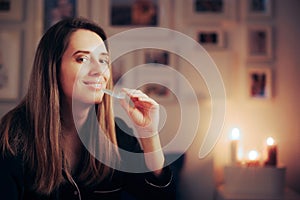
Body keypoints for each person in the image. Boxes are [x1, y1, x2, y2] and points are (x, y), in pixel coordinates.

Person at [0, 17, 174, 200]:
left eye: (103, 60)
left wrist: (149, 135)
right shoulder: (13, 139)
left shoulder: (116, 136)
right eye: (82, 59)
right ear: (53, 68)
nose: (99, 71)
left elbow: (161, 196)